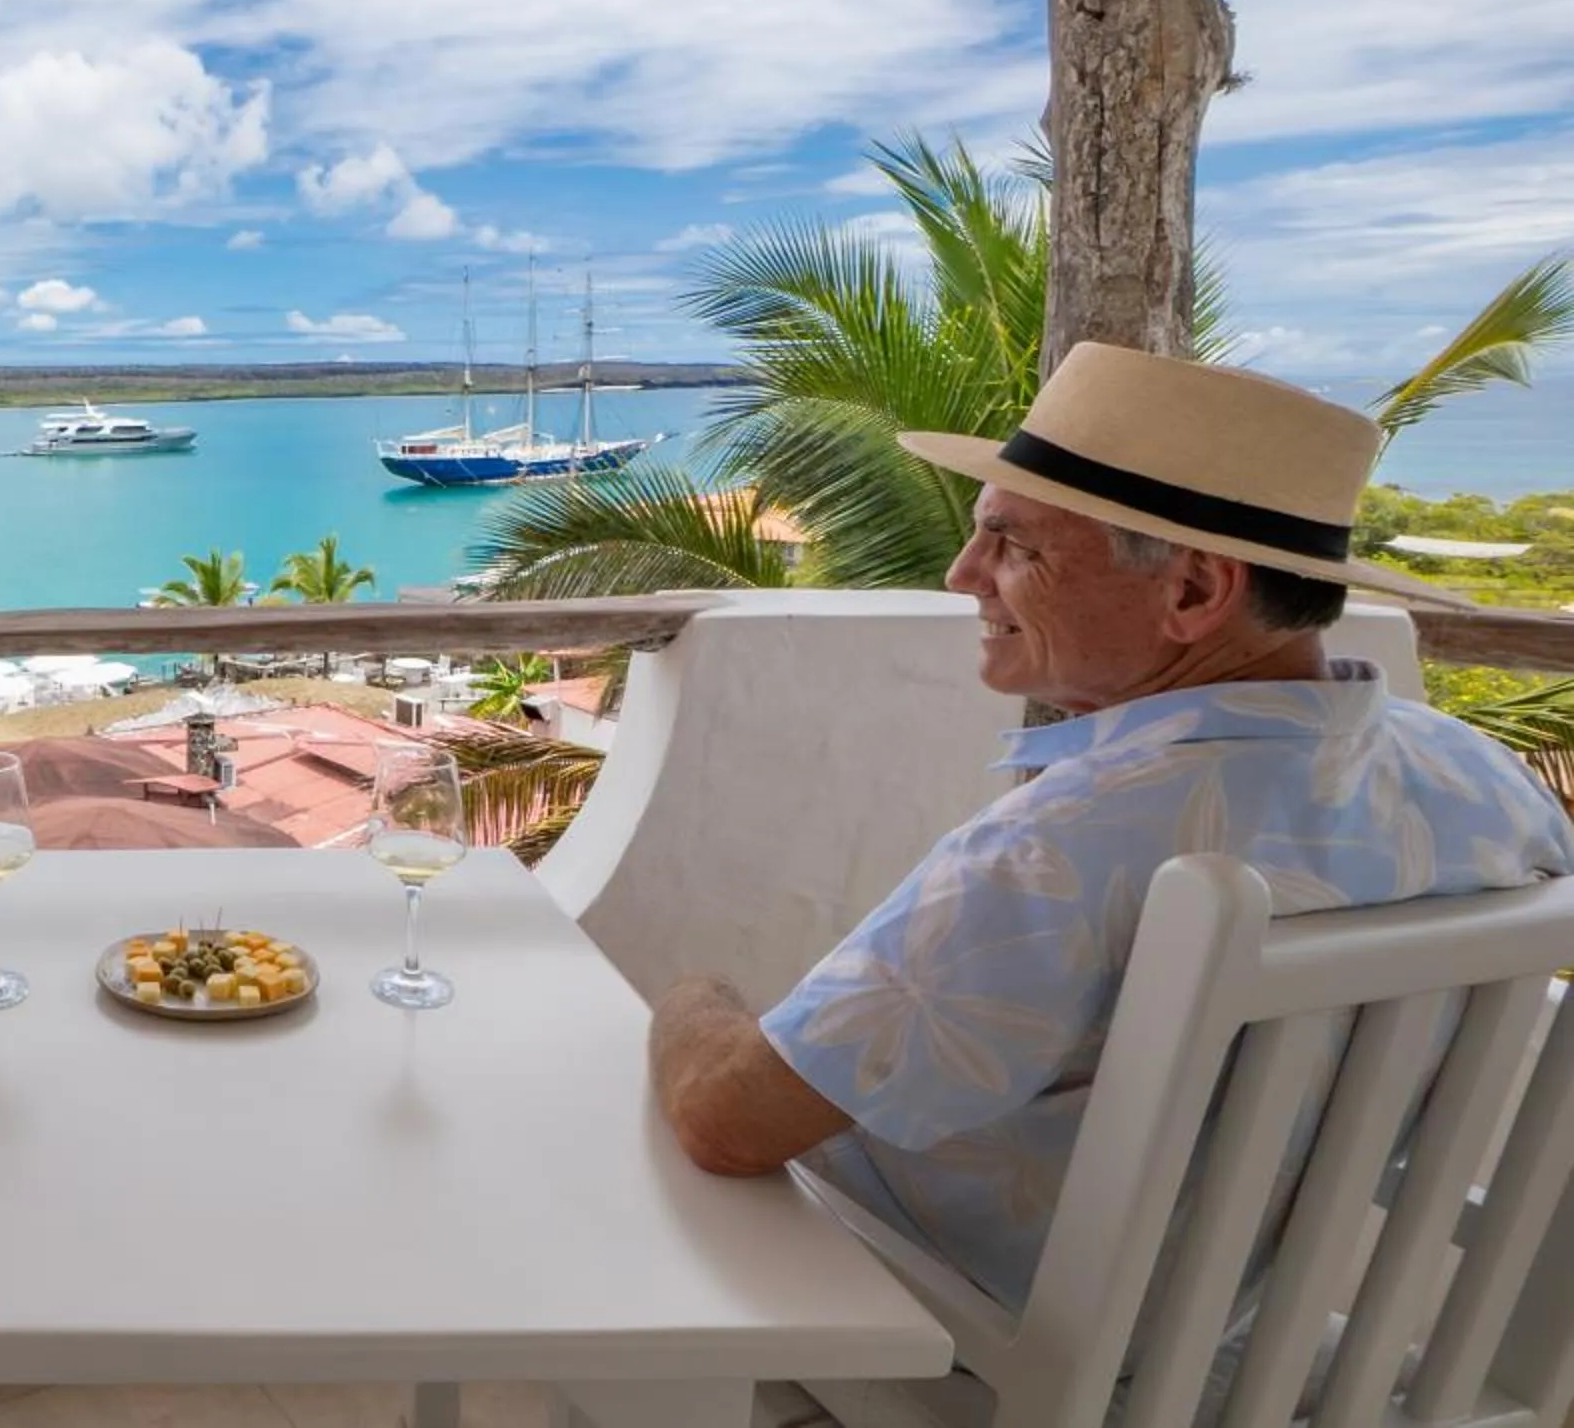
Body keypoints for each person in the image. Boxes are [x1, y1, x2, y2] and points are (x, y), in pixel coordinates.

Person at [645, 347, 1573, 1368]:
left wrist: (694, 992)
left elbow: (726, 1120)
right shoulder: (1484, 783)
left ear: (1196, 590)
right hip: (1238, 1340)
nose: (963, 575)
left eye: (1013, 544)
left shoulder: (1073, 844)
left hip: (976, 1333)